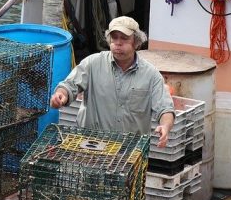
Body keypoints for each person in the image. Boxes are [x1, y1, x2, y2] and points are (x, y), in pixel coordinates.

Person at [49, 16, 175, 147]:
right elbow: (69, 85)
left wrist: (165, 126)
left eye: (124, 38)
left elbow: (165, 108)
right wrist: (61, 95)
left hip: (130, 150)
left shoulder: (151, 74)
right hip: (92, 145)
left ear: (136, 42)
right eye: (114, 38)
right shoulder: (92, 63)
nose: (118, 43)